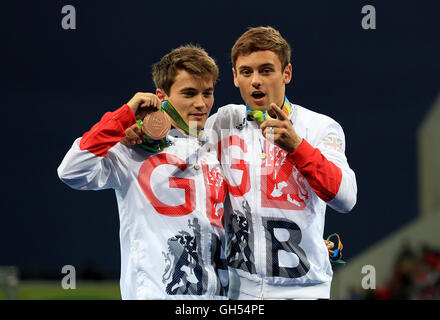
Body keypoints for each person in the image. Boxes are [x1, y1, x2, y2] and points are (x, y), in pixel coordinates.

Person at [57, 45, 229, 299]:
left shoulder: (217, 148)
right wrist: (124, 117)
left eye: (208, 93)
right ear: (161, 96)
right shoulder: (132, 149)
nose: (201, 103)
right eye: (189, 93)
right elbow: (71, 170)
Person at [203, 26, 358, 299]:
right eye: (246, 72)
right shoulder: (222, 122)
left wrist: (297, 147)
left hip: (304, 291)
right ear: (235, 77)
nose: (256, 81)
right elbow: (177, 149)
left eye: (266, 70)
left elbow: (345, 199)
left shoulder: (320, 127)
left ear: (286, 73)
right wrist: (143, 130)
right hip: (239, 291)